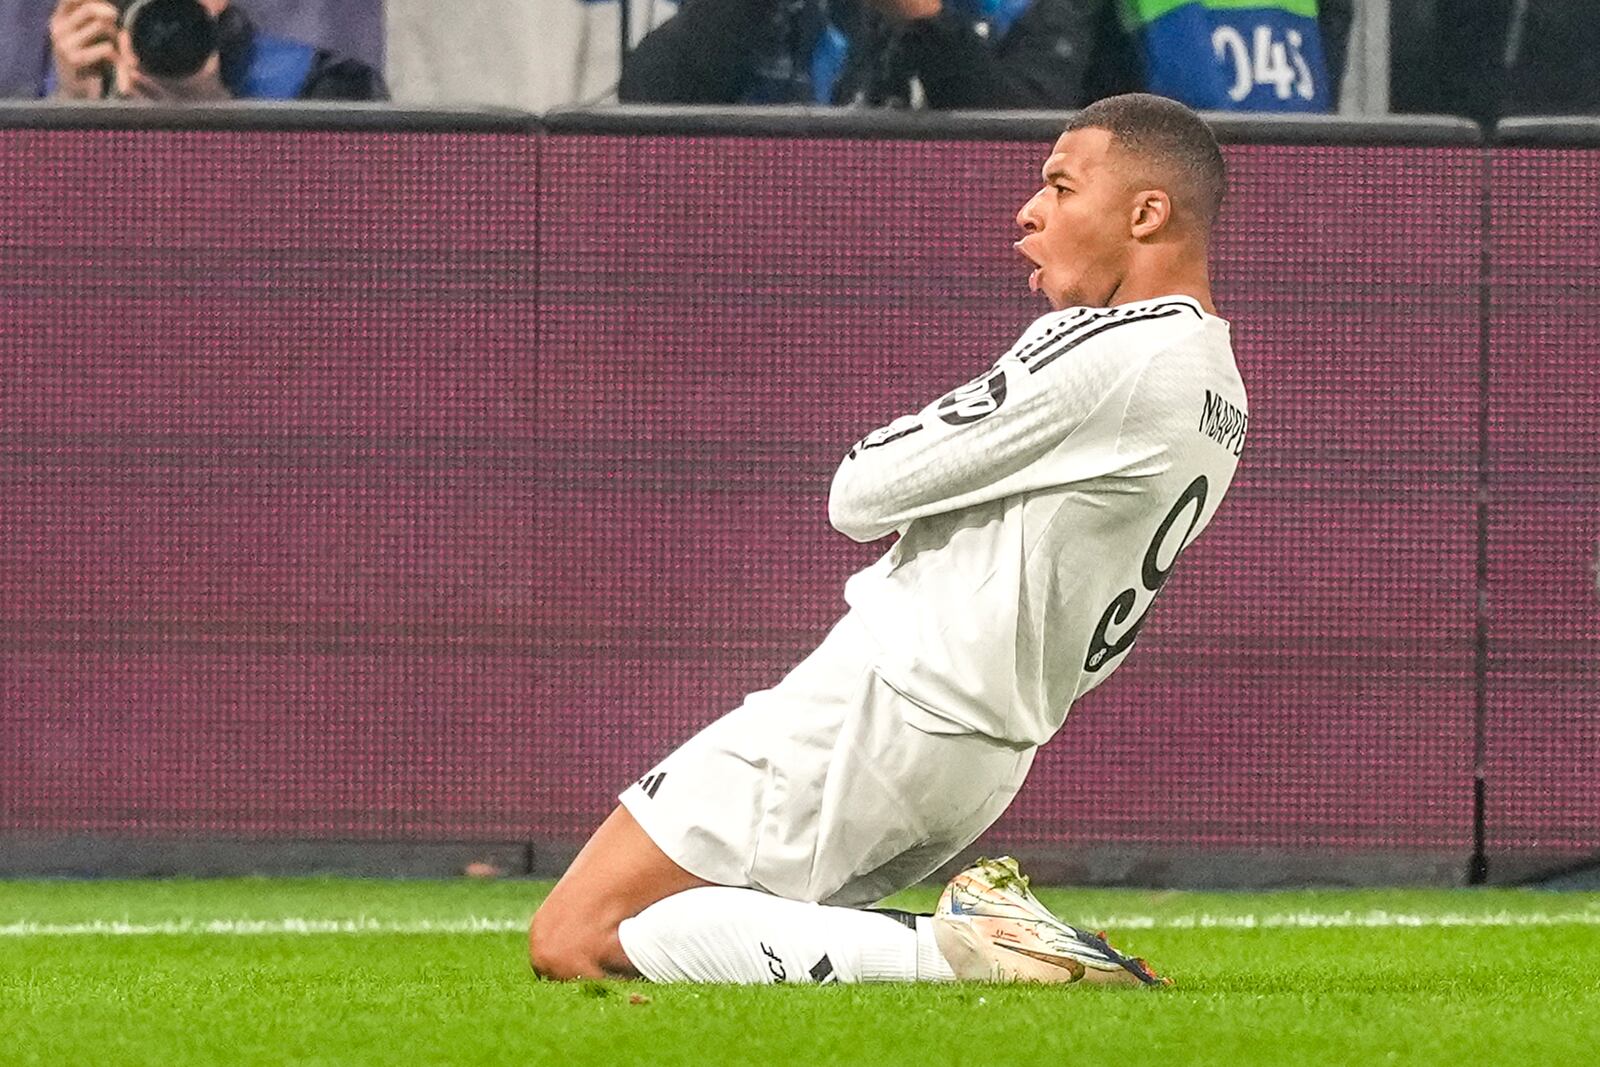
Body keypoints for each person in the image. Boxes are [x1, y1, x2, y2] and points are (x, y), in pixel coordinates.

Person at [529, 92, 1248, 986]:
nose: (1031, 211)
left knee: (576, 932)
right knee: (734, 925)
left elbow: (860, 490)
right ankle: (980, 941)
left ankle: (977, 949)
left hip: (891, 702)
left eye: (1061, 186)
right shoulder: (1220, 385)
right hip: (987, 748)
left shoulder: (1113, 349)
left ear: (1147, 213)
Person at [45, 0, 387, 102]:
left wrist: (217, 119)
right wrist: (69, 108)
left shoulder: (328, 85)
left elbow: (342, 254)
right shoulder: (35, 81)